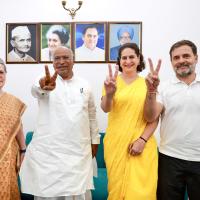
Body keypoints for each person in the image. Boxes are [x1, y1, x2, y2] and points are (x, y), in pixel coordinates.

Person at [19, 46, 100, 200]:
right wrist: (44, 87)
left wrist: (95, 140)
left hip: (77, 154)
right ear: (52, 62)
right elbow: (37, 90)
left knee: (77, 194)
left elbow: (91, 115)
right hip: (49, 155)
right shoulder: (45, 79)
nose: (61, 62)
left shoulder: (85, 84)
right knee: (48, 195)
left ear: (73, 60)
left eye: (66, 57)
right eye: (57, 58)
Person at [101, 43, 158, 200]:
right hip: (116, 144)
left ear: (139, 59)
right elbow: (106, 108)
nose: (128, 61)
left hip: (142, 144)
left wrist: (142, 140)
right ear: (119, 62)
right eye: (124, 58)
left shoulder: (148, 83)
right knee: (116, 192)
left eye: (132, 57)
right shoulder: (111, 82)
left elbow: (154, 117)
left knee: (142, 193)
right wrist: (110, 94)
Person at [144, 39, 200, 200]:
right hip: (170, 158)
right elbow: (150, 116)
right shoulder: (163, 87)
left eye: (186, 56)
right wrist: (151, 91)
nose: (181, 60)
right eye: (176, 58)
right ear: (171, 62)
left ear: (196, 58)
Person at [0, 58, 26, 199]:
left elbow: (18, 127)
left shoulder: (13, 102)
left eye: (1, 72)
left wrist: (23, 150)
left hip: (7, 157)